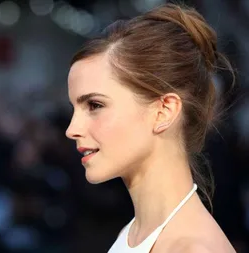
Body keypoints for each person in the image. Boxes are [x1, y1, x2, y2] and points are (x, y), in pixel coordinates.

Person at [65, 3, 236, 253]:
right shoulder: (132, 232)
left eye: (94, 105)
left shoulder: (194, 248)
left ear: (164, 111)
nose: (72, 129)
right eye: (74, 109)